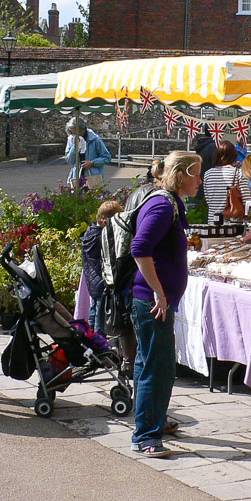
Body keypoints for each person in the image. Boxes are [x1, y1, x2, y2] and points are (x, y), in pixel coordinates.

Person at [129, 150, 201, 458]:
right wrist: (159, 292)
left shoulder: (170, 202)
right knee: (156, 369)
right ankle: (146, 435)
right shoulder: (162, 205)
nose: (200, 180)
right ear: (182, 174)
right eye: (197, 173)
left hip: (154, 301)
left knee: (151, 365)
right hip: (151, 303)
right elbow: (140, 248)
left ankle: (152, 420)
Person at [82, 199, 121, 330]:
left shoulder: (90, 233)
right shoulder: (102, 238)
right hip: (102, 282)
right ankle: (99, 345)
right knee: (100, 318)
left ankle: (91, 342)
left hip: (93, 282)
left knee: (93, 313)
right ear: (106, 220)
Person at [201, 140, 243, 225]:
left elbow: (208, 200)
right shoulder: (238, 173)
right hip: (232, 224)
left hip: (212, 222)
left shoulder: (207, 174)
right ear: (233, 156)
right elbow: (246, 201)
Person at [64, 119, 112, 189]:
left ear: (82, 130)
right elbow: (70, 160)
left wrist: (92, 163)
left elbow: (107, 157)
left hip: (93, 178)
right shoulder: (71, 139)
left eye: (77, 133)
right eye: (73, 133)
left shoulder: (96, 140)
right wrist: (74, 147)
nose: (75, 135)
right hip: (76, 177)